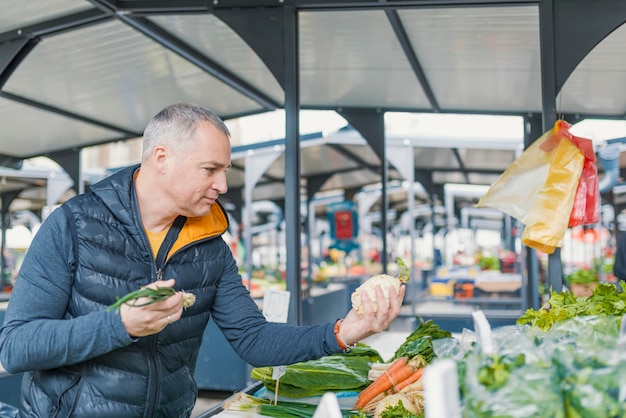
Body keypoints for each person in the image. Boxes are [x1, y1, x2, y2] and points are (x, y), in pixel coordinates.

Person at [0, 102, 405, 417]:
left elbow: (254, 340)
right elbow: (16, 347)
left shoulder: (210, 245)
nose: (222, 185)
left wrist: (343, 331)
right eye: (210, 169)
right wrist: (119, 325)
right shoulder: (71, 225)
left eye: (225, 169)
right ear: (161, 158)